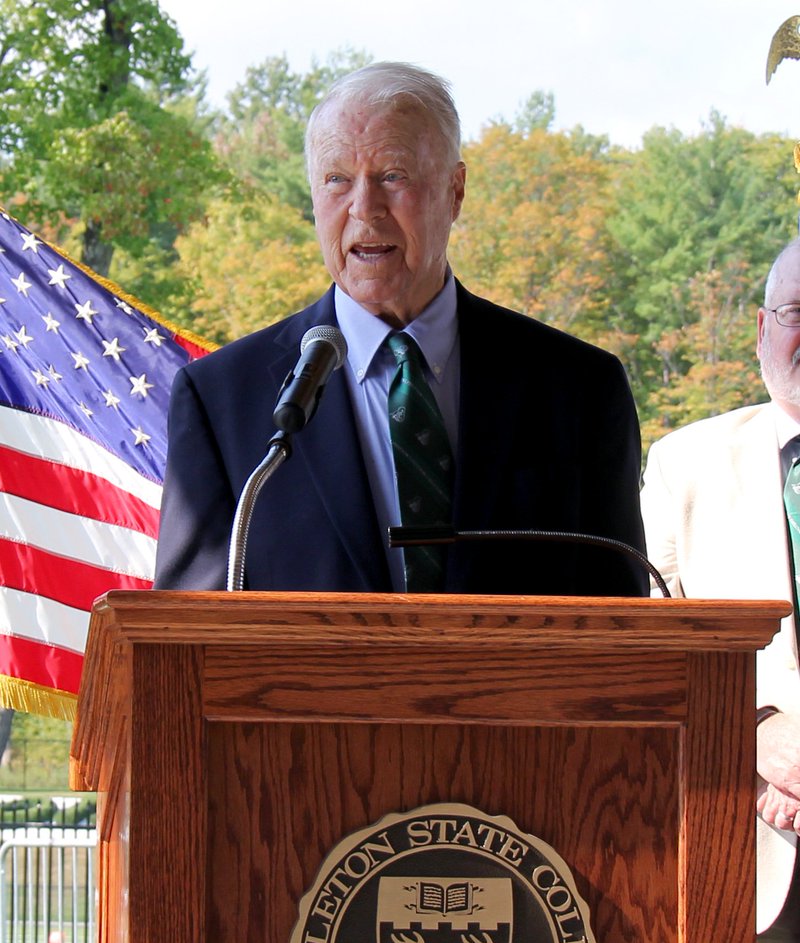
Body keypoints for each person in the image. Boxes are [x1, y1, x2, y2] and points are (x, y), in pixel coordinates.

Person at [154, 62, 647, 596]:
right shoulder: (222, 400)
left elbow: (621, 625)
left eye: (394, 176)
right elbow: (186, 644)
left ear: (455, 191)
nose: (365, 210)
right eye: (337, 180)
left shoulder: (579, 389)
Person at [641, 238, 800, 943]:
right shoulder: (686, 464)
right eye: (796, 316)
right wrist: (756, 753)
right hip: (756, 863)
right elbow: (651, 655)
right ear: (760, 330)